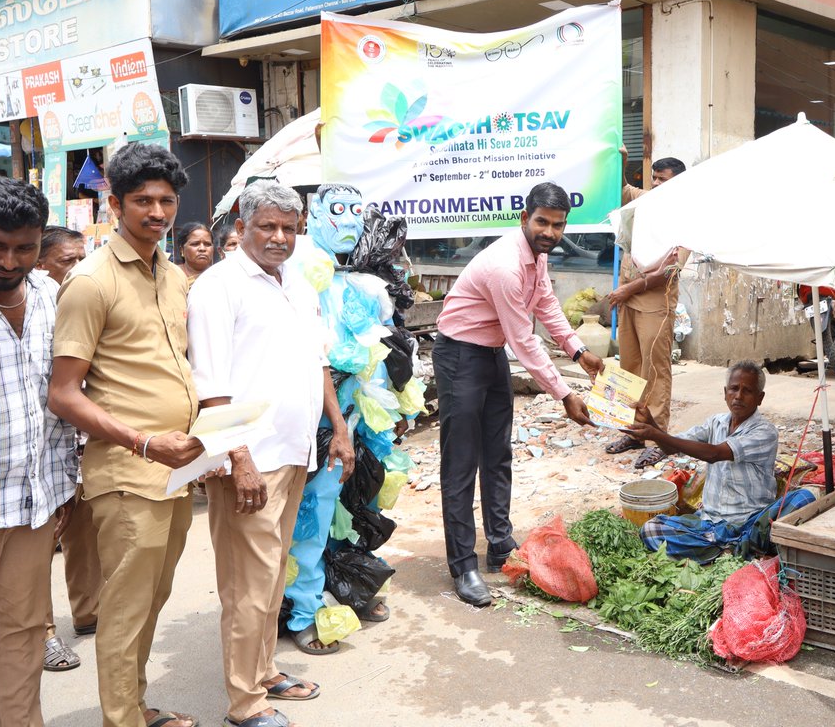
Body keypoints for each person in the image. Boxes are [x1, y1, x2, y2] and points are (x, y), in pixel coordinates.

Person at [49, 142, 206, 727]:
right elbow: (64, 394)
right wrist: (144, 442)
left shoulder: (172, 276)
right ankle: (123, 718)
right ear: (114, 203)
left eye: (167, 200)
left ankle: (134, 705)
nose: (158, 212)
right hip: (127, 473)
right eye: (142, 200)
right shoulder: (90, 282)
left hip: (179, 467)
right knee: (125, 607)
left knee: (152, 600)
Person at [188, 181, 354, 727]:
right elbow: (211, 385)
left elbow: (318, 363)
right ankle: (246, 706)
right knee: (247, 587)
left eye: (289, 227)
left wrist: (338, 426)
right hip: (249, 463)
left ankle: (262, 674)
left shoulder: (297, 285)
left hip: (294, 455)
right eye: (268, 226)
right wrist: (238, 458)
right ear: (242, 224)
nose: (280, 237)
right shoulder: (219, 287)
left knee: (268, 578)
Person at [436, 182, 605, 606]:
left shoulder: (537, 258)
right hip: (459, 356)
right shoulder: (505, 266)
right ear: (524, 218)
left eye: (558, 225)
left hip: (490, 353)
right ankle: (462, 566)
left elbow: (546, 304)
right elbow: (524, 340)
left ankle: (499, 545)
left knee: (498, 454)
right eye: (542, 222)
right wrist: (565, 393)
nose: (549, 231)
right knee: (461, 464)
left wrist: (578, 350)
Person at [283, 183, 422, 653]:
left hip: (357, 415)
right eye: (336, 211)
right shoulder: (296, 269)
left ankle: (345, 586)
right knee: (312, 512)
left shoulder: (358, 279)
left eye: (355, 212)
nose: (347, 222)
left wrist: (393, 399)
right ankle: (304, 610)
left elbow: (374, 345)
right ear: (313, 214)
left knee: (352, 503)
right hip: (316, 419)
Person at [0, 177, 79, 726]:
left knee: (16, 641)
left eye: (25, 247)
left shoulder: (48, 297)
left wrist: (64, 483)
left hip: (32, 505)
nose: (10, 261)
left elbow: (61, 399)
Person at [626, 361, 814, 563]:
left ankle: (725, 547)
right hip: (709, 522)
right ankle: (729, 549)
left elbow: (715, 454)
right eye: (734, 389)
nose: (738, 396)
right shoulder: (716, 423)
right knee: (651, 530)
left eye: (747, 391)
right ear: (725, 392)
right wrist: (651, 424)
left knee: (804, 497)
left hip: (749, 522)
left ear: (760, 398)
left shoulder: (764, 432)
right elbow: (672, 447)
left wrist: (654, 433)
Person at [34, 225, 102, 673]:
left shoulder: (86, 302)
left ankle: (88, 612)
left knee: (85, 534)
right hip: (41, 447)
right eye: (67, 261)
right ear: (40, 267)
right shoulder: (35, 305)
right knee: (38, 545)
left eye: (83, 258)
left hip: (82, 443)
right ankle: (42, 633)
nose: (78, 268)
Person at [608, 149, 686, 468]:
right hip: (628, 299)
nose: (655, 183)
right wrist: (622, 161)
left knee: (655, 371)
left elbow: (671, 269)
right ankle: (634, 432)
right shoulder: (644, 200)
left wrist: (630, 287)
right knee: (629, 367)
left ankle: (659, 439)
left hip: (654, 302)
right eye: (653, 177)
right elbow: (619, 188)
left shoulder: (685, 216)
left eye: (662, 179)